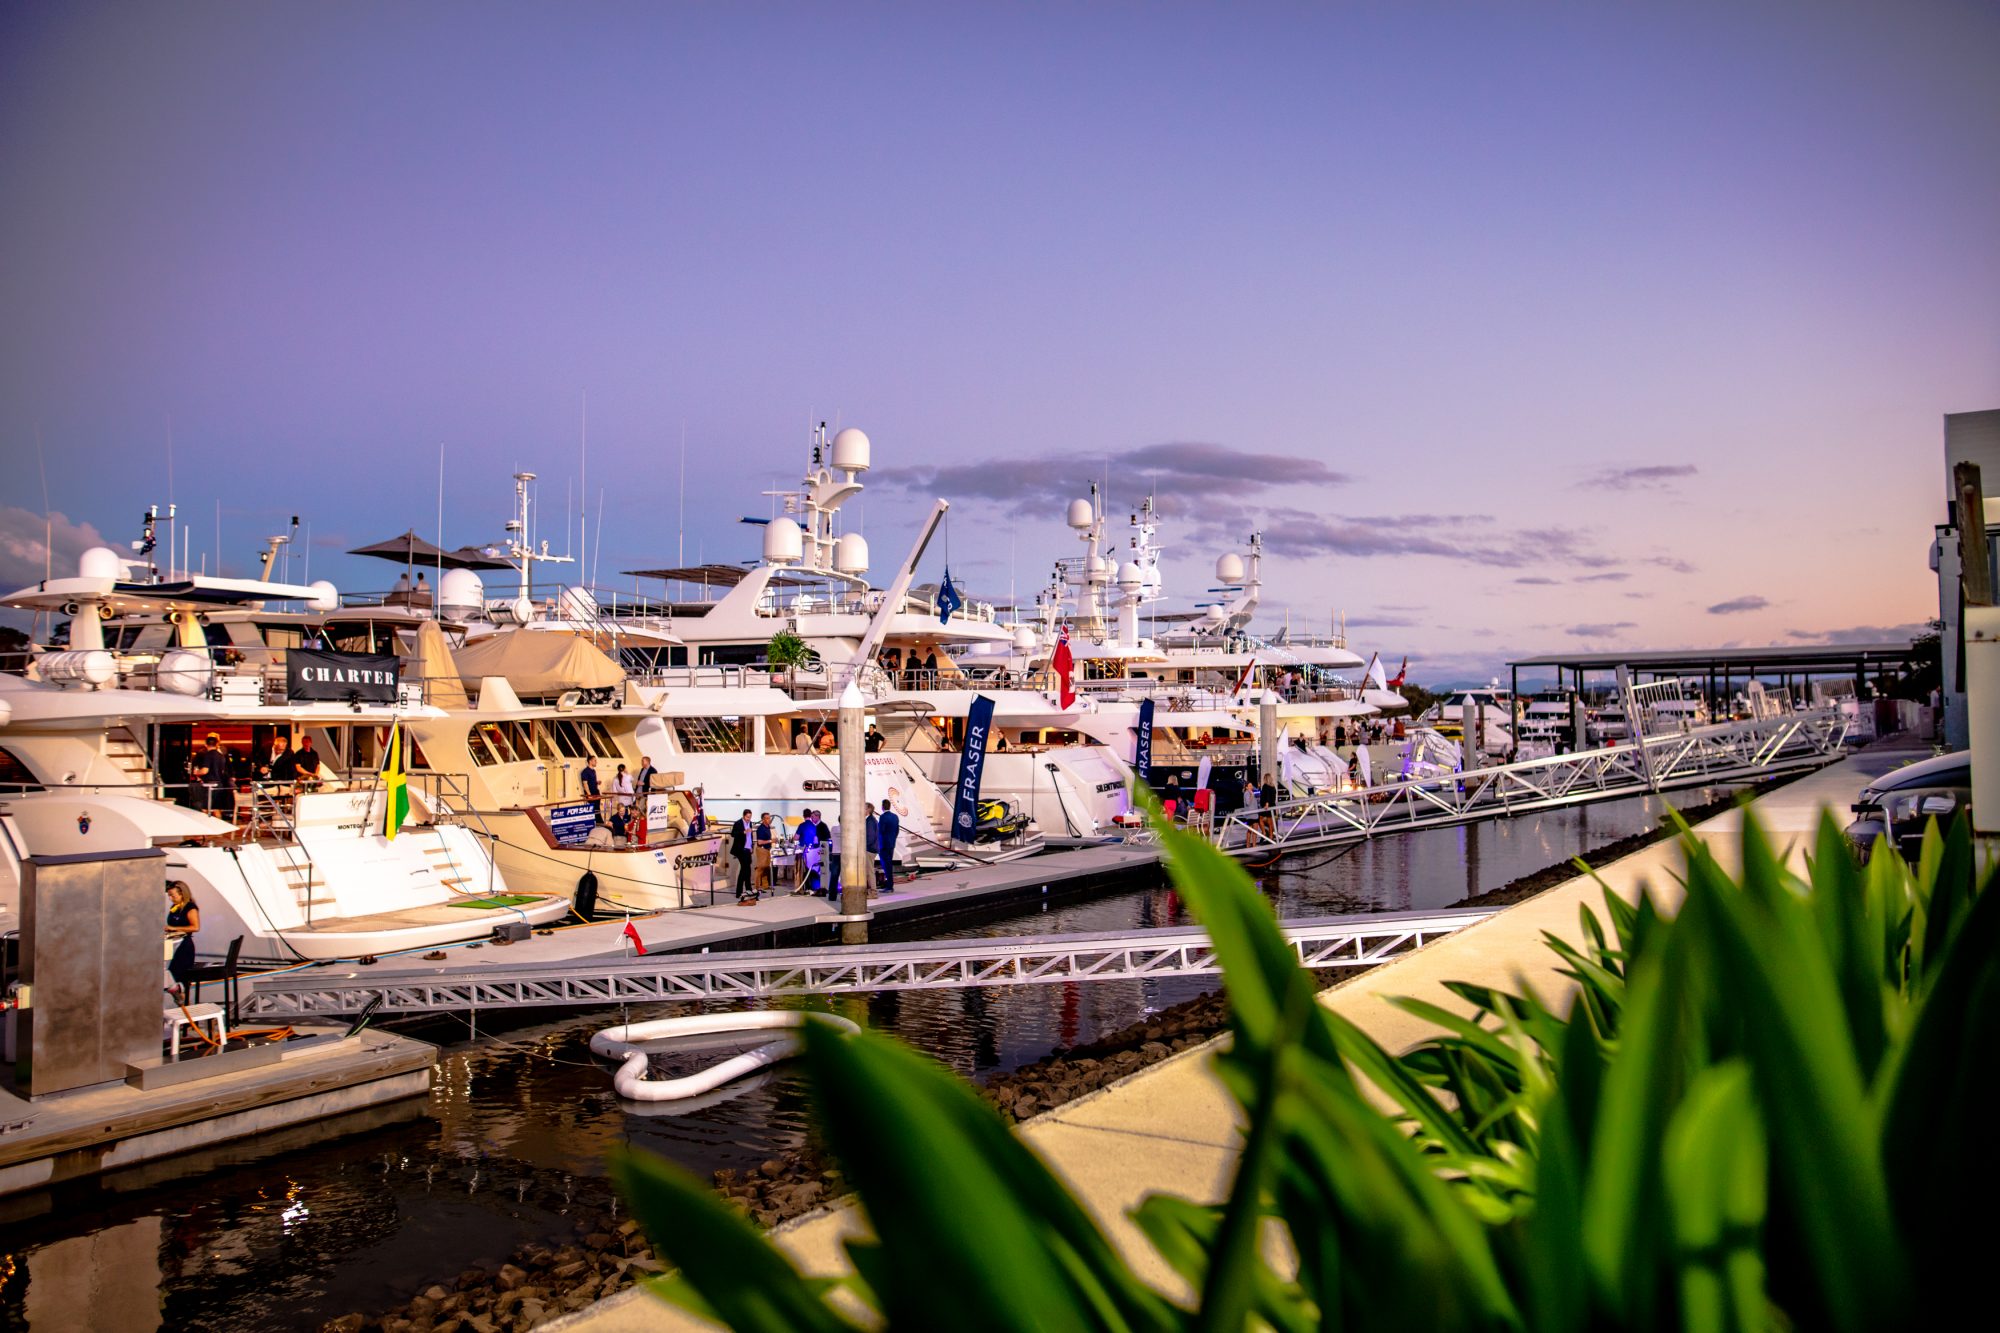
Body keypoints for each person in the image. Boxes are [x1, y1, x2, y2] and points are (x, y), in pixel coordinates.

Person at [165, 880, 200, 995]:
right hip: (173, 944)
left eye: (173, 896)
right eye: (169, 895)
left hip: (184, 946)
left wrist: (174, 929)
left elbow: (195, 927)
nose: (170, 898)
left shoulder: (190, 907)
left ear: (182, 894)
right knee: (168, 972)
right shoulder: (175, 907)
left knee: (178, 974)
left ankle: (182, 997)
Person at [186, 733, 229, 812]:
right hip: (219, 784)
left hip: (209, 784)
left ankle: (205, 823)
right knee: (216, 809)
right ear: (217, 744)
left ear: (205, 744)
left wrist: (196, 772)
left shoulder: (208, 755)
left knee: (205, 808)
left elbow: (205, 770)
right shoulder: (221, 756)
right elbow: (223, 771)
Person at [730, 809, 755, 904]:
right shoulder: (738, 823)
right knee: (745, 868)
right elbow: (733, 834)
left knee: (747, 869)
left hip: (748, 849)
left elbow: (750, 836)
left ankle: (747, 890)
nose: (749, 819)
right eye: (748, 817)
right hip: (740, 850)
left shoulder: (750, 823)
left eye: (750, 817)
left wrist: (751, 846)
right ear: (744, 816)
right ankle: (741, 891)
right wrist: (743, 832)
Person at [794, 808, 821, 895]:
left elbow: (796, 837)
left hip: (804, 851)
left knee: (802, 870)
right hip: (813, 851)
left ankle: (803, 887)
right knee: (811, 869)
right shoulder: (814, 826)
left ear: (803, 816)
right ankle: (811, 887)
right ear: (810, 815)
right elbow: (815, 839)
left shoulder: (802, 825)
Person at [877, 799, 900, 894]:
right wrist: (893, 838)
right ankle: (890, 885)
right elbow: (897, 830)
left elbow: (881, 830)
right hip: (892, 844)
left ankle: (889, 886)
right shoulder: (895, 817)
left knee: (886, 865)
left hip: (884, 845)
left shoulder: (882, 817)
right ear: (889, 806)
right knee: (889, 864)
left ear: (882, 807)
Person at [753, 812, 774, 893]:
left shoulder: (768, 827)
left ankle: (765, 885)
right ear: (763, 819)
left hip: (767, 849)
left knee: (766, 868)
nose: (769, 820)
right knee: (760, 869)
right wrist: (771, 841)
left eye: (769, 818)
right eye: (767, 818)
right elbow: (760, 842)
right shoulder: (761, 829)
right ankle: (756, 887)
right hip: (762, 850)